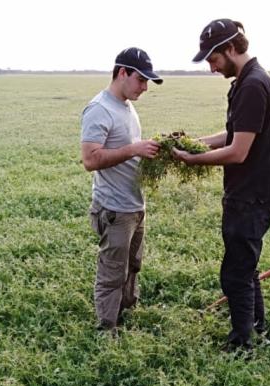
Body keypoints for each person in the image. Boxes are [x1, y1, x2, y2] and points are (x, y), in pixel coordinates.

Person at [173, 19, 270, 352]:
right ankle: (256, 327)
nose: (211, 67)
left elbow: (238, 152)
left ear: (229, 48)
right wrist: (195, 143)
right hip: (255, 191)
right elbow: (234, 135)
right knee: (245, 264)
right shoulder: (247, 81)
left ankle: (242, 345)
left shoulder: (253, 85)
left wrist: (191, 160)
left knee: (236, 273)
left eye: (213, 58)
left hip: (252, 194)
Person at [80, 48, 163, 333]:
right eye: (141, 80)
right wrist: (134, 149)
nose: (145, 87)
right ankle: (107, 328)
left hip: (134, 205)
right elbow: (90, 159)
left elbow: (128, 149)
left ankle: (127, 310)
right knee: (113, 271)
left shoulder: (126, 106)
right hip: (114, 207)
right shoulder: (99, 109)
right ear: (122, 72)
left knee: (133, 264)